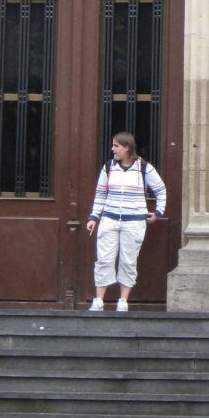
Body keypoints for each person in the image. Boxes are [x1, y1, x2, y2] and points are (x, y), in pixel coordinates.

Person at [86, 133, 166, 313]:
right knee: (104, 259)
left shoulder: (144, 168)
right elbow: (100, 194)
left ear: (127, 147)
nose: (112, 149)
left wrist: (158, 212)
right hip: (109, 219)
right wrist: (94, 217)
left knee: (128, 261)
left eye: (116, 146)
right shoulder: (108, 168)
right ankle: (99, 300)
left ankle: (123, 300)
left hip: (134, 222)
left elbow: (160, 189)